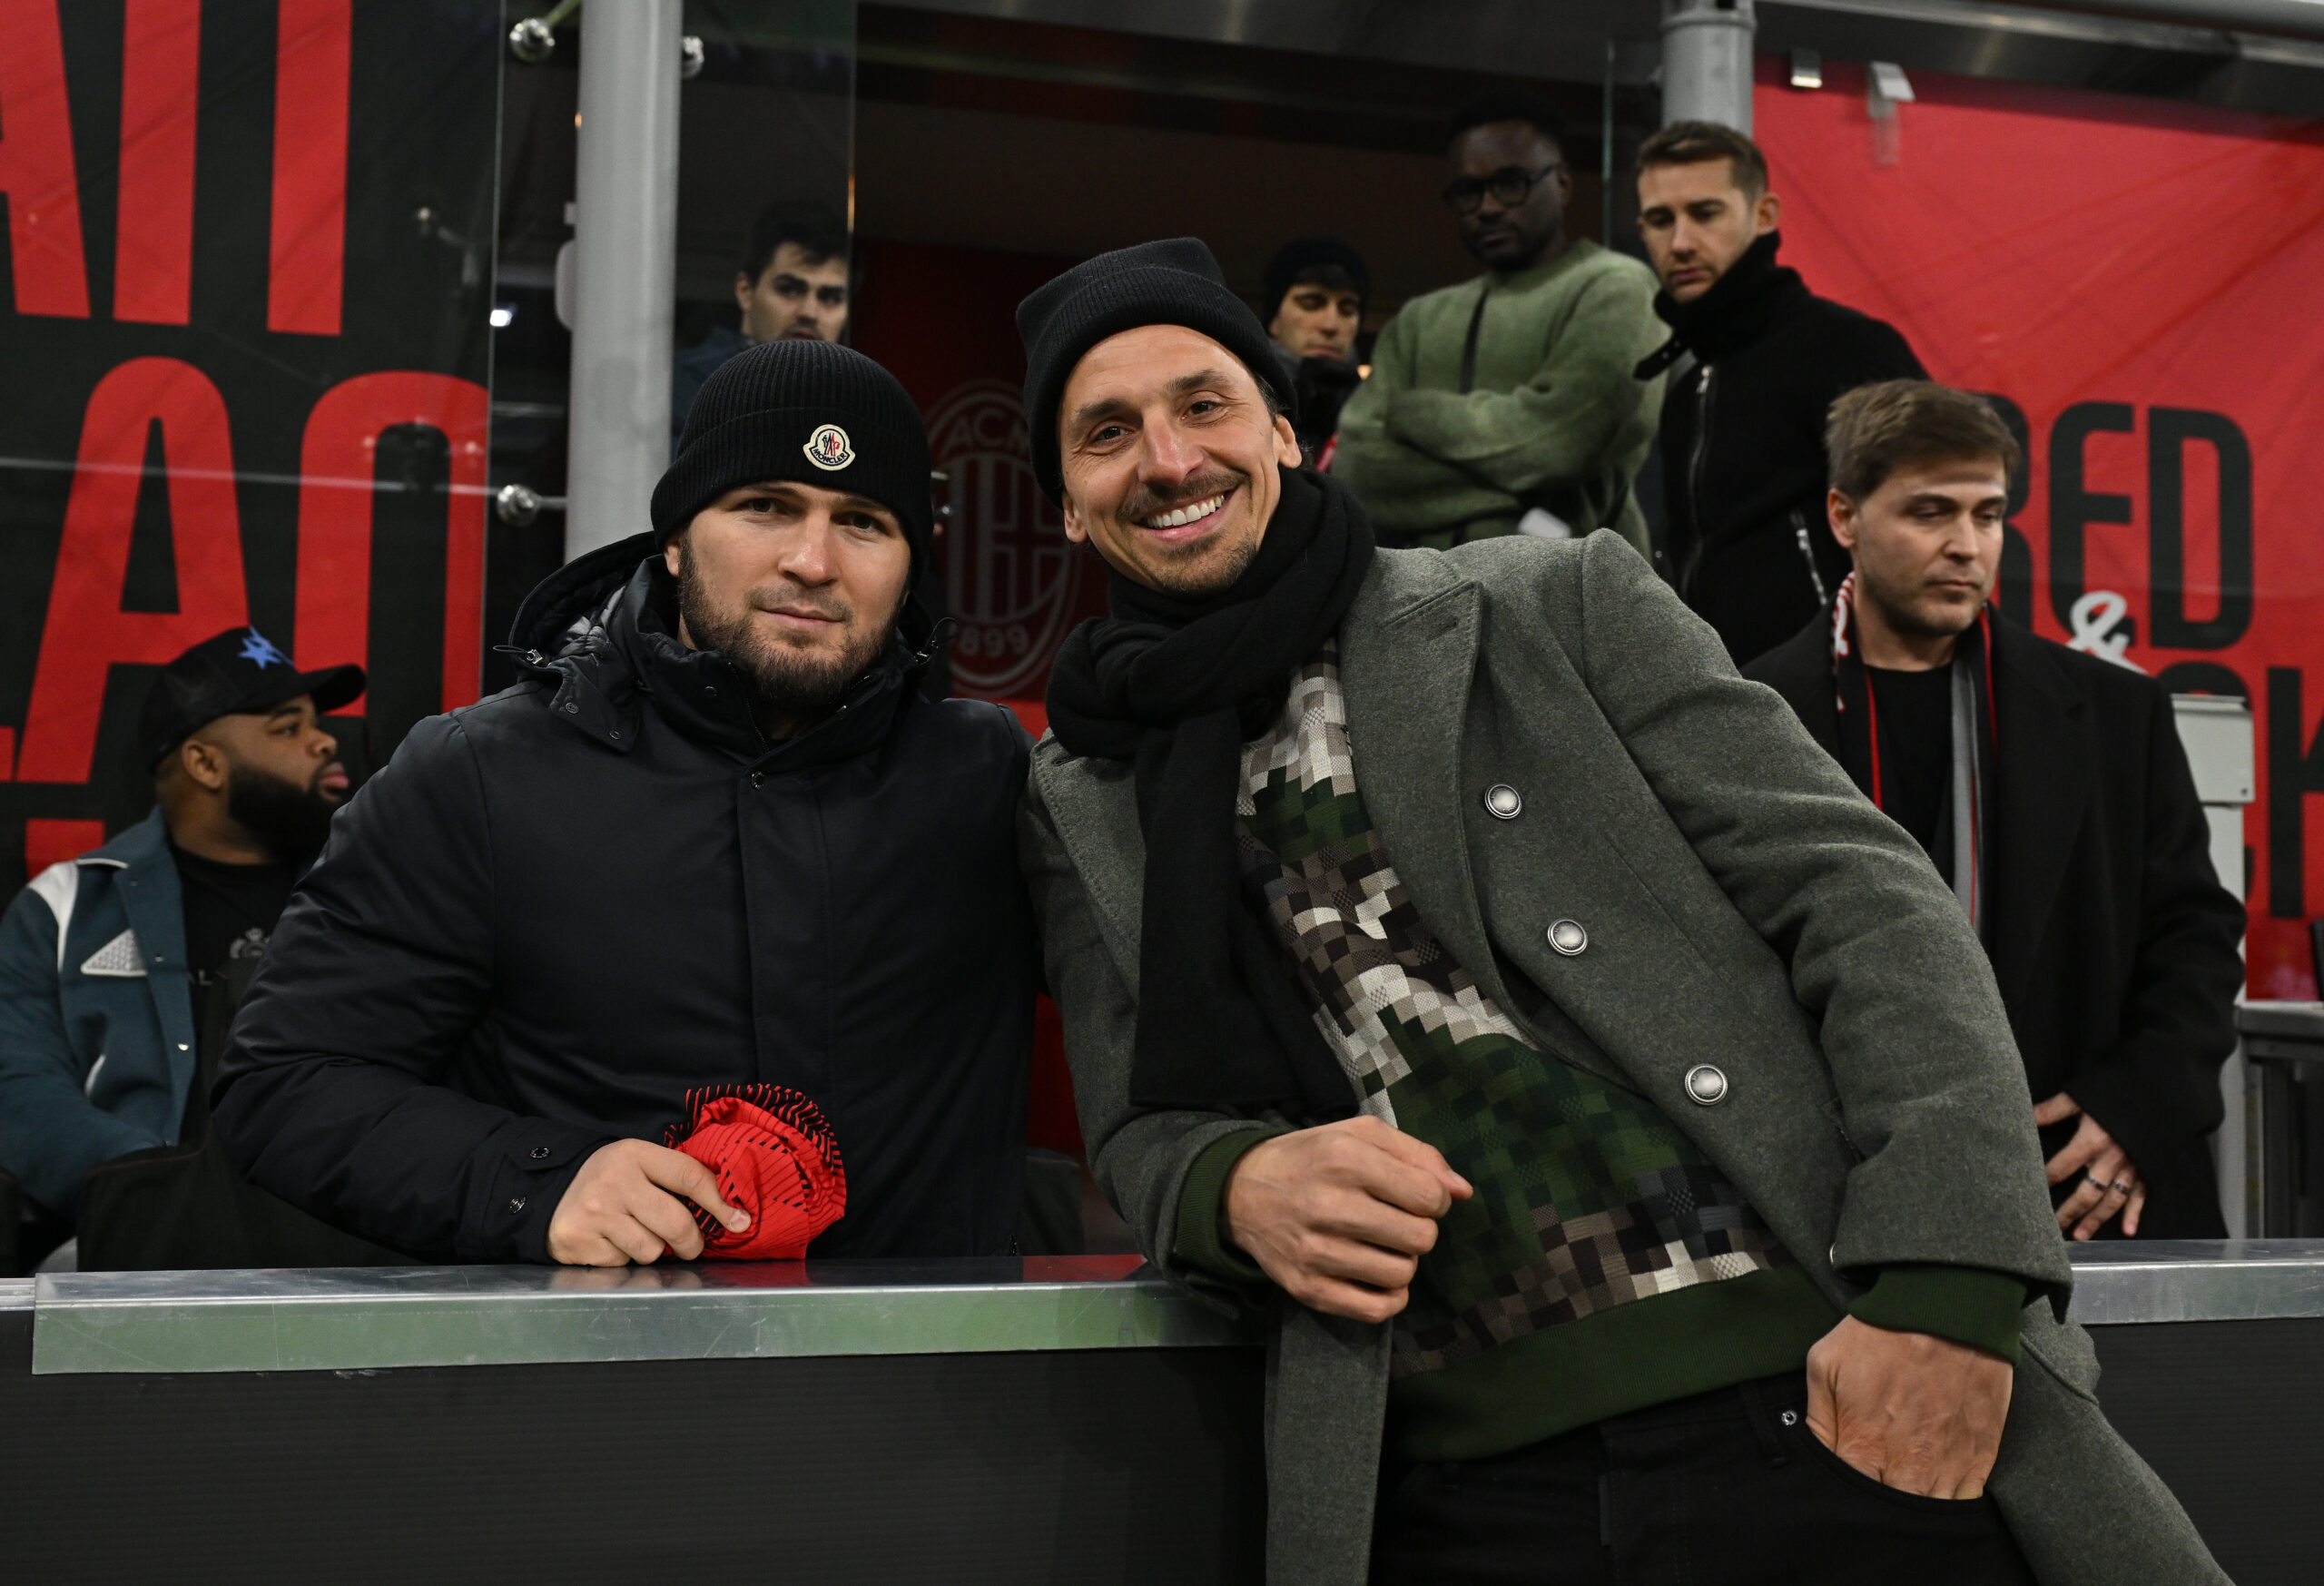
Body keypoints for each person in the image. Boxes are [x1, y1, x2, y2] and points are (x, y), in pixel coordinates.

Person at [1014, 239, 2223, 1584]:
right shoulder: (1079, 791)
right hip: (1448, 1485)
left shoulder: (1547, 603)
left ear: (1287, 435)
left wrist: (1949, 1291)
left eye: (1204, 403)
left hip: (1817, 1392)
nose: (1168, 458)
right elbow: (1138, 1121)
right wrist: (1233, 1187)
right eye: (1106, 432)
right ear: (1065, 504)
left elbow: (1865, 902)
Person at [216, 340, 1038, 1267]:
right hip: (592, 1359)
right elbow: (283, 1085)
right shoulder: (481, 775)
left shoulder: (988, 779)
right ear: (677, 540)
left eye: (863, 521)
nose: (813, 560)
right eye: (765, 506)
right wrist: (536, 1182)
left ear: (909, 567)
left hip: (932, 1357)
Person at [1746, 381, 2245, 1243]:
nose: (1966, 546)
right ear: (1844, 516)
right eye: (1930, 512)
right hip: (1835, 1206)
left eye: (1988, 515)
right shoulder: (1747, 715)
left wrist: (2137, 1110)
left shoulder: (2118, 715)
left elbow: (2194, 942)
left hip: (2077, 1190)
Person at [0, 628, 361, 1261]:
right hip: (133, 1253)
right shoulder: (63, 906)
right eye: (287, 727)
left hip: (342, 1243)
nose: (325, 741)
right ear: (205, 764)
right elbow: (21, 1091)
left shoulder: (369, 896)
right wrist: (172, 1192)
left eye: (316, 723)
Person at [1633, 120, 1927, 665]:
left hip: (1838, 693)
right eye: (1660, 219)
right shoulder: (1687, 391)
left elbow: (1926, 527)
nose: (1680, 243)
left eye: (1705, 213)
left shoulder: (1848, 348)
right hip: (1720, 695)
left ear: (1764, 215)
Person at [1334, 86, 1663, 555]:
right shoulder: (1418, 321)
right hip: (1426, 591)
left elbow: (1562, 443)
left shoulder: (1616, 288)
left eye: (1510, 183)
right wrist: (1537, 494)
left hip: (1574, 589)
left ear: (1562, 183)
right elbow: (1358, 472)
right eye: (1468, 192)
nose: (1487, 207)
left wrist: (1414, 413)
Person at [671, 200, 852, 447]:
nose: (809, 312)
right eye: (789, 289)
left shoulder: (857, 404)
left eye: (830, 297)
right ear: (745, 291)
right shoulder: (676, 385)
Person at [1261, 236, 1368, 468]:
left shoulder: (1379, 413)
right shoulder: (1237, 400)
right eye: (1311, 303)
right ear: (1274, 320)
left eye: (1347, 309)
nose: (1331, 325)